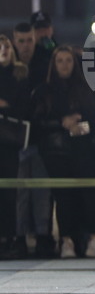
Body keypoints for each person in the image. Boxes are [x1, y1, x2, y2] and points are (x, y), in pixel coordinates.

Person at [31, 46, 95, 258]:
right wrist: (62, 124)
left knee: (89, 192)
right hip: (56, 152)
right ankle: (66, 241)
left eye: (68, 60)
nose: (65, 65)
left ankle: (93, 239)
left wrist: (80, 128)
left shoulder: (85, 89)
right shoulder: (44, 91)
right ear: (54, 64)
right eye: (60, 61)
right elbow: (38, 123)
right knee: (63, 195)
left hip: (84, 149)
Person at [11, 23, 54, 257]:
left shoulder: (43, 62)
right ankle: (18, 237)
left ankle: (42, 236)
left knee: (41, 191)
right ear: (14, 40)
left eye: (29, 40)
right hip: (14, 137)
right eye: (21, 41)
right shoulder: (9, 66)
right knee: (19, 193)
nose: (25, 45)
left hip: (39, 135)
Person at [0, 34, 30, 257]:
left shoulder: (20, 74)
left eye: (6, 45)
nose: (3, 49)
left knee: (11, 191)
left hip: (10, 142)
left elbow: (22, 107)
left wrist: (6, 106)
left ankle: (10, 236)